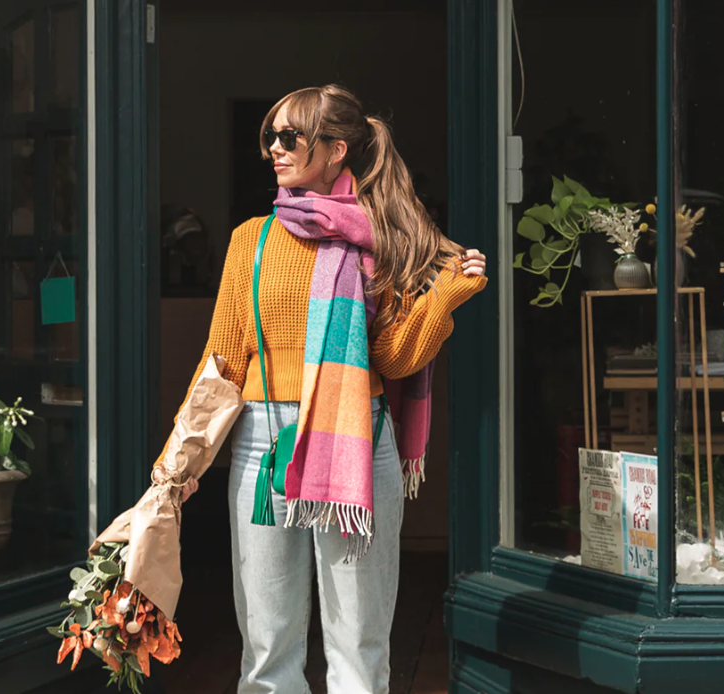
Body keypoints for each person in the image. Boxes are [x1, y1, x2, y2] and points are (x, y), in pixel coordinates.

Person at [163, 84, 487, 694]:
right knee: (266, 643)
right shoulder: (250, 240)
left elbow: (391, 359)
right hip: (263, 445)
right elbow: (224, 360)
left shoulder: (378, 240)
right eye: (270, 138)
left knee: (359, 639)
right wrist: (175, 463)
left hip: (356, 438)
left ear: (337, 149)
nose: (274, 150)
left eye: (289, 137)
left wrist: (445, 297)